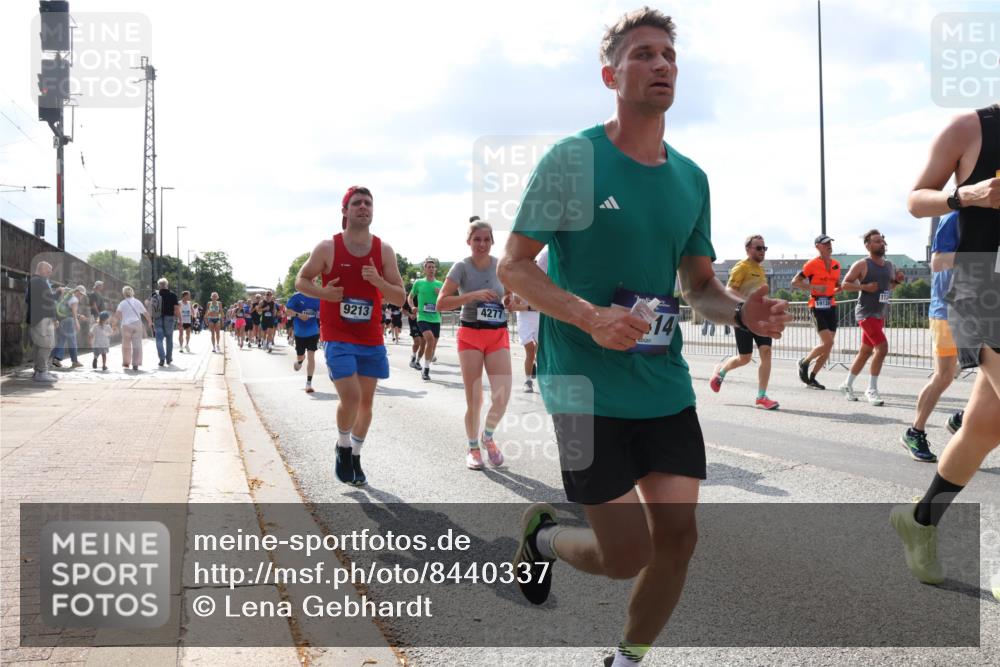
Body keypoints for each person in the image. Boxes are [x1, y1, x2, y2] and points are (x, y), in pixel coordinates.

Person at [496, 9, 791, 666]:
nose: (662, 64)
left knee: (678, 540)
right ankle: (543, 539)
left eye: (669, 55)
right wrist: (590, 316)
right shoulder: (573, 160)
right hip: (578, 384)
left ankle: (626, 659)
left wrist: (742, 313)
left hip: (661, 381)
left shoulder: (691, 178)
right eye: (644, 54)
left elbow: (700, 285)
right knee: (625, 554)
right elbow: (513, 266)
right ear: (611, 76)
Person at [891, 102, 1000, 604]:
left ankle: (920, 521)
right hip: (983, 289)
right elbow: (916, 200)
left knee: (984, 427)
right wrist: (964, 195)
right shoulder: (971, 128)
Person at [295, 186, 406, 486]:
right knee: (352, 397)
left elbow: (399, 297)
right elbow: (301, 280)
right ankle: (343, 446)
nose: (363, 207)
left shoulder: (383, 251)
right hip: (338, 335)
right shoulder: (327, 247)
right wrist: (323, 293)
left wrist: (378, 281)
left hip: (370, 338)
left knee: (366, 403)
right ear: (345, 211)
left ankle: (355, 454)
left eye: (368, 203)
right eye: (356, 203)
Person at [437, 217, 511, 470]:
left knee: (502, 396)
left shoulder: (501, 266)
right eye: (477, 239)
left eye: (486, 239)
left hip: (497, 333)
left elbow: (510, 296)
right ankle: (472, 448)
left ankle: (487, 437)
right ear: (468, 241)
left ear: (492, 241)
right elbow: (441, 303)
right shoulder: (462, 267)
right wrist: (472, 296)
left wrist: (510, 302)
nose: (482, 244)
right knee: (475, 399)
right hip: (471, 333)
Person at [900, 212, 961, 463]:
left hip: (981, 310)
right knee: (944, 376)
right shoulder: (954, 217)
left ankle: (964, 418)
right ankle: (915, 431)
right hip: (947, 311)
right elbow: (937, 262)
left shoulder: (992, 220)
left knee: (991, 370)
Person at [708, 235, 779, 410]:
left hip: (760, 319)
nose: (762, 251)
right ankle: (721, 372)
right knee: (744, 358)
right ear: (748, 249)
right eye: (758, 248)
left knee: (766, 352)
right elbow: (729, 290)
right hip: (743, 318)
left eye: (764, 248)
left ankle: (761, 396)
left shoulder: (760, 269)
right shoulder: (741, 267)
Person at [837, 230, 905, 405]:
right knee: (882, 348)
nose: (881, 244)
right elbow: (845, 284)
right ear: (867, 245)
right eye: (876, 241)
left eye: (882, 241)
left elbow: (888, 287)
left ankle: (846, 385)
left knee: (866, 352)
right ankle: (871, 389)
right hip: (866, 313)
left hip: (880, 313)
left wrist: (897, 281)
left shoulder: (889, 265)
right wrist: (864, 287)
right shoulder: (862, 264)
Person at [791, 235, 843, 390]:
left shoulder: (836, 265)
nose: (829, 245)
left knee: (827, 347)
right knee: (828, 343)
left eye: (830, 243)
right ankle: (804, 362)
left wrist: (839, 288)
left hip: (831, 305)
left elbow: (836, 285)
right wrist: (814, 288)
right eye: (825, 243)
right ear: (818, 246)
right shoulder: (811, 264)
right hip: (817, 306)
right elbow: (795, 282)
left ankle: (813, 377)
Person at [508, 247, 549, 393]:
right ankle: (528, 381)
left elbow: (544, 305)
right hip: (524, 320)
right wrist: (530, 307)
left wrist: (531, 307)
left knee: (539, 352)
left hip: (539, 319)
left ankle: (539, 374)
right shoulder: (519, 283)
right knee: (530, 350)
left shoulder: (542, 285)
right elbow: (513, 306)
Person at [409, 258, 444, 381]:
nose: (431, 269)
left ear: (435, 269)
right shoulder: (419, 283)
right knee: (429, 339)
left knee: (432, 346)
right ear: (424, 269)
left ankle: (425, 363)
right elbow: (410, 297)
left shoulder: (440, 284)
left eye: (433, 267)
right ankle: (426, 370)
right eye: (429, 267)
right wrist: (412, 307)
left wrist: (440, 294)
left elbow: (446, 300)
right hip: (422, 317)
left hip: (436, 318)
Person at [25, 261, 59, 383]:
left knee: (39, 345)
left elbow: (28, 300)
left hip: (36, 318)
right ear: (42, 269)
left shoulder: (33, 282)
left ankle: (38, 371)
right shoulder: (41, 282)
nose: (50, 274)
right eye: (48, 271)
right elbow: (50, 301)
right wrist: (59, 293)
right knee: (47, 345)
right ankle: (42, 372)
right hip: (43, 319)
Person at [285, 290, 321, 394]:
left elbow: (322, 312)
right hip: (300, 333)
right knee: (300, 356)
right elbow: (287, 311)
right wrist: (298, 314)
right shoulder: (297, 296)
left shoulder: (317, 297)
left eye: (313, 282)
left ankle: (308, 383)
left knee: (311, 356)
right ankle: (300, 361)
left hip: (313, 331)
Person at [113, 286, 153, 370]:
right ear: (132, 292)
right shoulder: (138, 302)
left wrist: (114, 325)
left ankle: (126, 363)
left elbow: (117, 315)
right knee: (137, 344)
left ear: (124, 293)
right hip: (137, 324)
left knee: (126, 345)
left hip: (126, 325)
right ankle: (136, 363)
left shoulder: (122, 303)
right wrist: (150, 322)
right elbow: (145, 313)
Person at [52, 285, 86, 369]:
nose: (82, 296)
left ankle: (56, 358)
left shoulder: (68, 297)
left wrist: (78, 316)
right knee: (72, 341)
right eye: (81, 294)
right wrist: (77, 322)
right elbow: (73, 313)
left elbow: (68, 311)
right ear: (77, 291)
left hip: (62, 321)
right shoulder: (75, 299)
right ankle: (75, 361)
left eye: (82, 295)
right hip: (69, 322)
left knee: (62, 340)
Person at [151, 277, 180, 366]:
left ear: (159, 285)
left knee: (159, 339)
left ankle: (162, 358)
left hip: (157, 318)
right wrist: (178, 318)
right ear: (167, 285)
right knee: (169, 339)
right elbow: (176, 309)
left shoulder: (155, 294)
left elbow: (148, 304)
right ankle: (168, 358)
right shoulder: (173, 295)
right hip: (169, 318)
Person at [403, 288, 426, 369]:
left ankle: (418, 362)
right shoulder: (411, 297)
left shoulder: (426, 296)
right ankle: (413, 358)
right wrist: (410, 315)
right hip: (414, 322)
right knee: (417, 341)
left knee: (423, 343)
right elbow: (403, 310)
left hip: (424, 321)